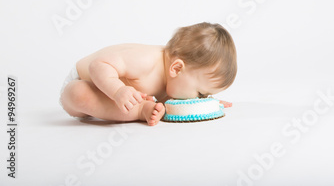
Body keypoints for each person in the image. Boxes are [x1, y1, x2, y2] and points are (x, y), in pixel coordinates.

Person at [59, 22, 237, 126]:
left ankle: (135, 107)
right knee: (77, 93)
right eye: (200, 94)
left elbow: (180, 94)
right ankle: (139, 111)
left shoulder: (175, 80)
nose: (198, 98)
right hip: (85, 80)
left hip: (114, 98)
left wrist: (205, 104)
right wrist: (117, 91)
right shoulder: (145, 61)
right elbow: (98, 65)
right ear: (176, 68)